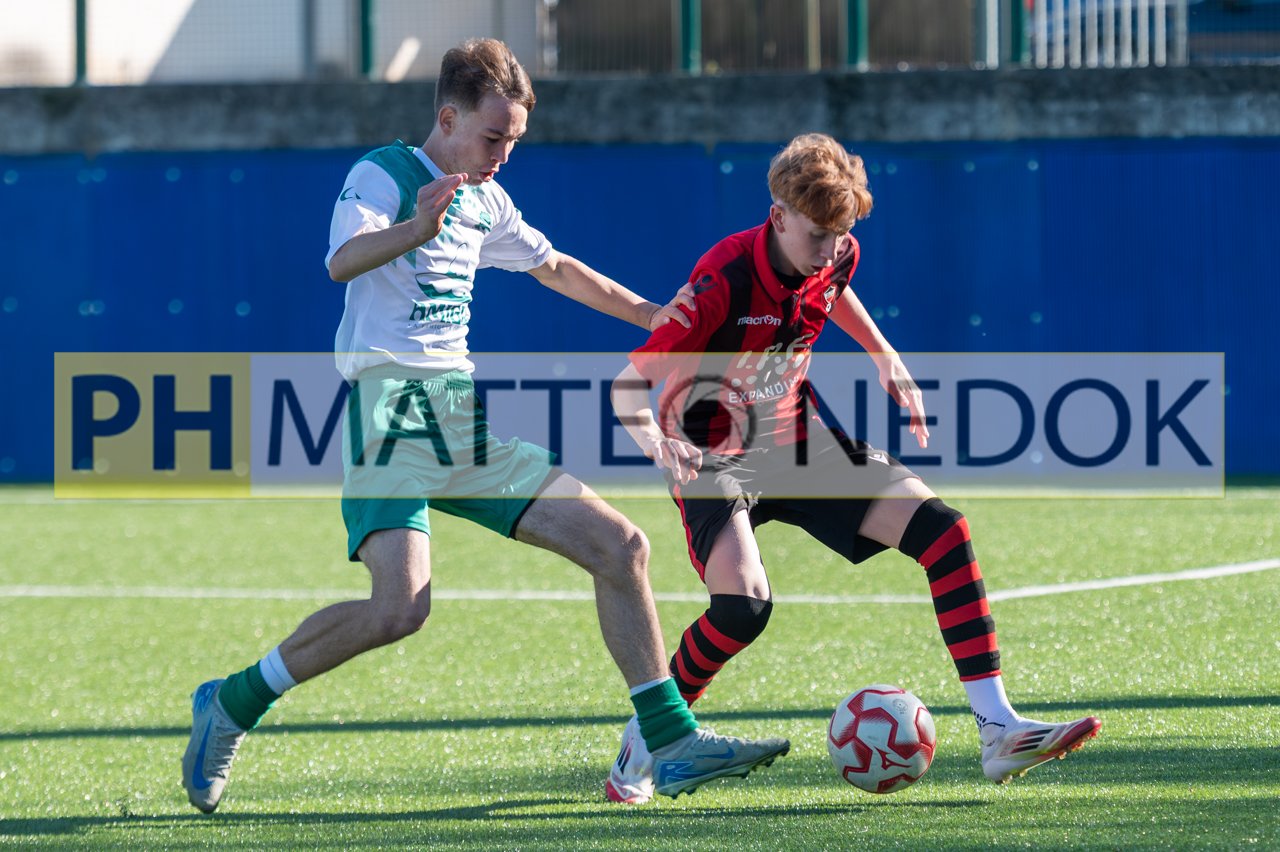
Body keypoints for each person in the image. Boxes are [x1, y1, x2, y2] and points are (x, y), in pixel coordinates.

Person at [180, 38, 788, 814]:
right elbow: (342, 259)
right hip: (391, 411)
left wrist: (651, 314)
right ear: (448, 118)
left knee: (621, 546)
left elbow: (555, 266)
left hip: (459, 419)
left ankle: (667, 743)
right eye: (494, 136)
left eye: (515, 141)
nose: (504, 155)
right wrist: (416, 228)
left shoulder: (485, 200)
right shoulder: (384, 175)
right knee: (399, 609)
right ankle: (232, 702)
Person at [606, 133, 1100, 804]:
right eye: (818, 235)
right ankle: (647, 740)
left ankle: (999, 729)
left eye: (842, 234)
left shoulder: (837, 251)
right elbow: (628, 386)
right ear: (778, 216)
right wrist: (654, 441)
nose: (831, 249)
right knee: (743, 608)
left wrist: (883, 354)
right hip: (712, 454)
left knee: (944, 532)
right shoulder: (722, 282)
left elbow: (831, 289)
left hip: (797, 440)